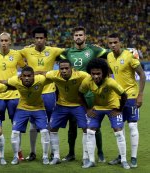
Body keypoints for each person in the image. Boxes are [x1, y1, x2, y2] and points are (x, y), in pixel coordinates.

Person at [59, 26, 107, 162]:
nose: (78, 37)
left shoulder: (93, 50)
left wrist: (129, 51)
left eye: (81, 35)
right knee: (72, 125)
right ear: (73, 38)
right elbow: (49, 53)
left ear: (85, 37)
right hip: (73, 94)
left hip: (90, 93)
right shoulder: (67, 52)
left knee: (94, 123)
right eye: (76, 35)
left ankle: (100, 153)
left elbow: (109, 52)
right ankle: (71, 153)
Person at [19, 26, 65, 161]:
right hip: (33, 93)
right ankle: (33, 152)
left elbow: (72, 51)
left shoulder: (53, 50)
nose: (39, 40)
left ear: (45, 39)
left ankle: (53, 152)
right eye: (37, 38)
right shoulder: (27, 50)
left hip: (49, 92)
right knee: (33, 124)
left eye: (41, 38)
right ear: (34, 39)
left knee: (51, 124)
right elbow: (9, 53)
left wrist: (92, 47)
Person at [79, 58, 130, 169]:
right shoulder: (87, 81)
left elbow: (124, 95)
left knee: (118, 132)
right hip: (97, 107)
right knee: (90, 131)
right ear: (90, 73)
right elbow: (80, 94)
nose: (96, 76)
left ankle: (124, 160)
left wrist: (119, 109)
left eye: (98, 73)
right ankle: (92, 161)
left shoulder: (110, 81)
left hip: (112, 107)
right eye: (93, 74)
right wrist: (87, 109)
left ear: (104, 73)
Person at [0, 32, 26, 161]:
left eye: (6, 40)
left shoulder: (17, 54)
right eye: (1, 40)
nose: (3, 43)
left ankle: (18, 150)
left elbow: (25, 68)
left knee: (17, 125)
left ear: (10, 42)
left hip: (14, 95)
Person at [107, 33, 146, 168]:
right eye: (110, 43)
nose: (113, 45)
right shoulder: (109, 57)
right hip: (116, 98)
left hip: (131, 96)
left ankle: (133, 157)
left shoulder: (130, 55)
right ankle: (121, 156)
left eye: (115, 42)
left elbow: (142, 75)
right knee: (119, 128)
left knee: (132, 126)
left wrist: (140, 94)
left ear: (120, 42)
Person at [44, 59, 89, 165]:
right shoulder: (54, 75)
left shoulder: (81, 75)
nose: (64, 71)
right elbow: (42, 73)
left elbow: (93, 80)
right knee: (52, 128)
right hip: (61, 105)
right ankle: (56, 156)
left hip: (77, 106)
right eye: (61, 69)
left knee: (87, 129)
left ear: (72, 68)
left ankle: (86, 157)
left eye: (66, 68)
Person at [3, 66, 50, 165]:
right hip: (22, 108)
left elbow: (54, 76)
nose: (27, 78)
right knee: (15, 132)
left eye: (29, 76)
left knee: (45, 131)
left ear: (34, 76)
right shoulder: (15, 80)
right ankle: (16, 157)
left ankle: (45, 157)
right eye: (24, 76)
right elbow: (3, 82)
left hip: (39, 108)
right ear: (21, 77)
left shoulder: (41, 79)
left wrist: (42, 71)